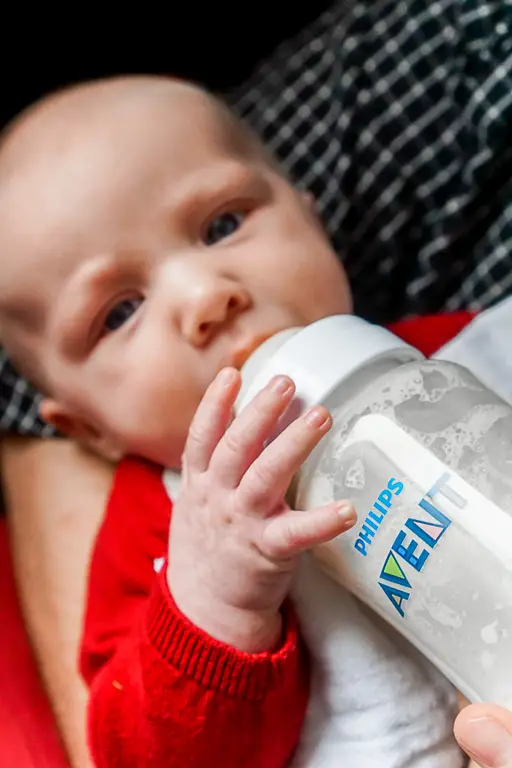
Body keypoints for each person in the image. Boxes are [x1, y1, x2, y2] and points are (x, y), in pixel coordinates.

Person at [1, 1, 512, 765]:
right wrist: (217, 598)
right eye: (121, 312)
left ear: (311, 218)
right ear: (87, 429)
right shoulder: (156, 532)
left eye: (222, 225)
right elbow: (138, 753)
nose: (209, 296)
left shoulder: (457, 357)